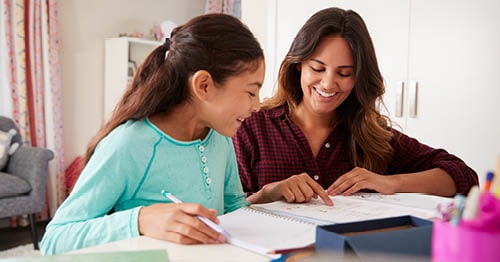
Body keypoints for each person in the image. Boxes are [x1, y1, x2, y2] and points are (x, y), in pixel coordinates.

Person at [41, 13, 265, 255]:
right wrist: (141, 220)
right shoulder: (129, 144)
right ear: (204, 85)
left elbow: (233, 209)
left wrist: (265, 198)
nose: (257, 105)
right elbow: (55, 238)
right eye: (251, 93)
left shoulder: (220, 137)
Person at [233, 7, 478, 205]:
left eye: (344, 73)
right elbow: (224, 212)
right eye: (317, 69)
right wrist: (267, 195)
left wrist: (389, 182)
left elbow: (463, 176)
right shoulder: (251, 128)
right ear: (298, 64)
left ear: (358, 77)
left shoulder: (372, 135)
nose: (328, 83)